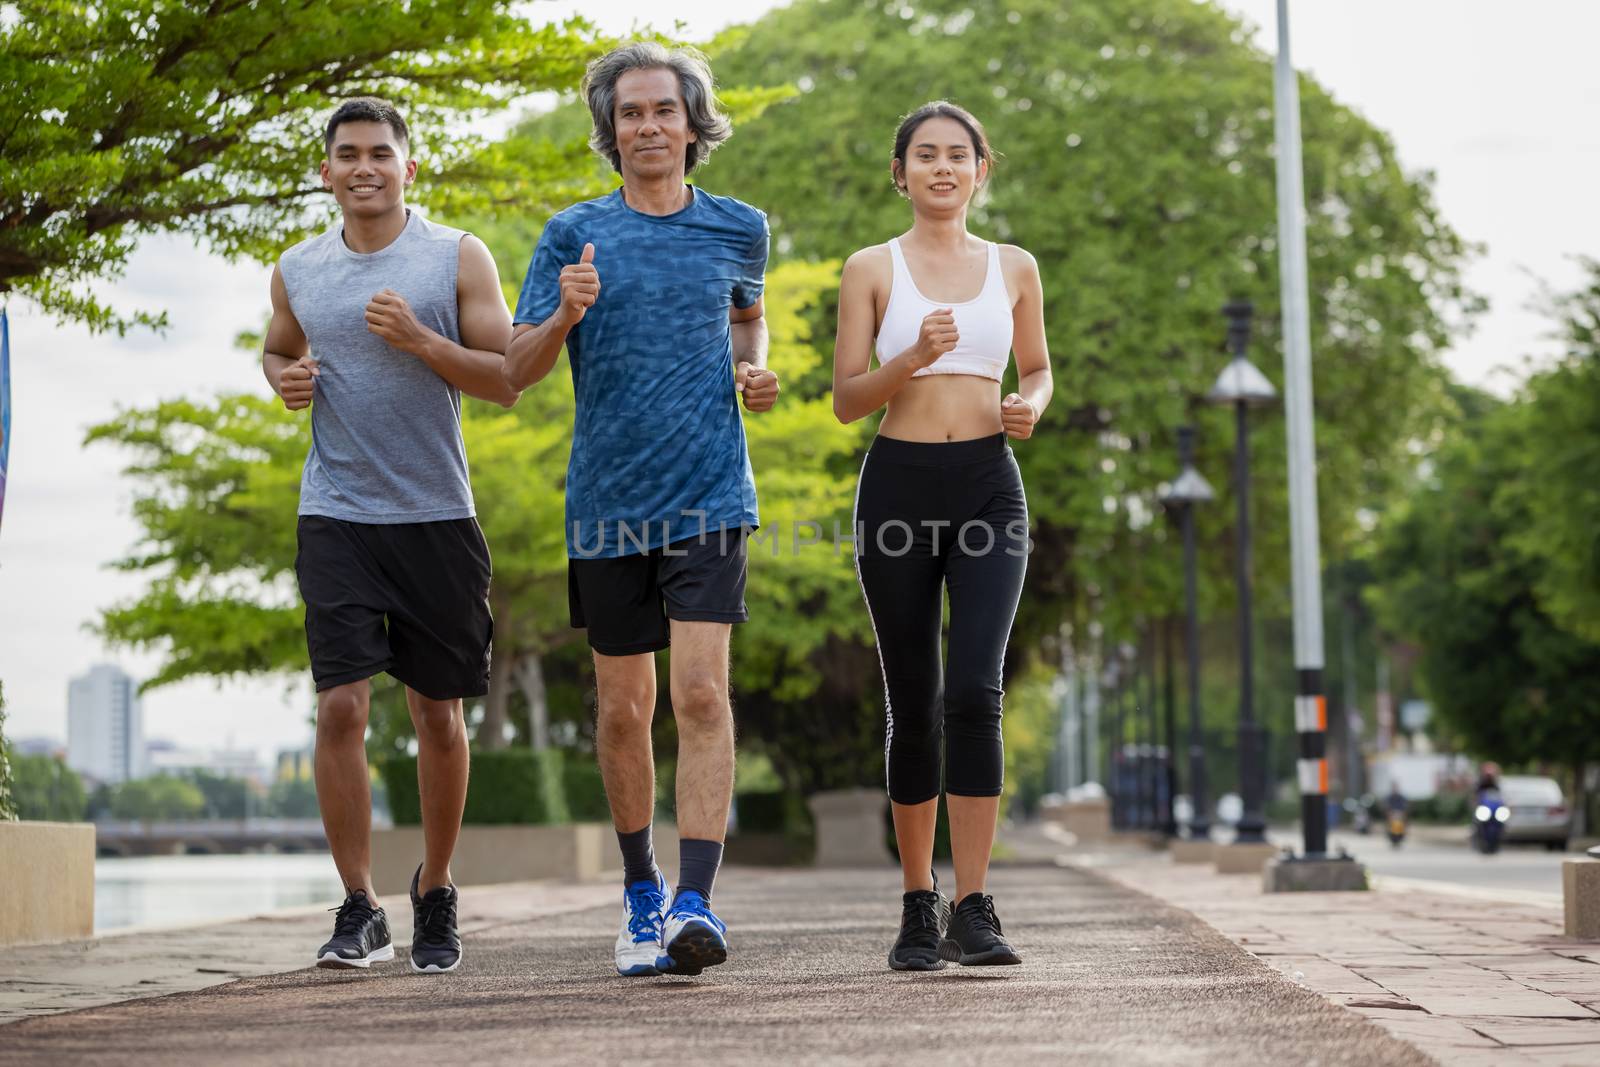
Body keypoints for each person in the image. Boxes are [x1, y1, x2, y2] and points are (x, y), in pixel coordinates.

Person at [503, 42, 778, 977]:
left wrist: (752, 364)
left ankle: (697, 902)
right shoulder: (571, 234)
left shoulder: (741, 227)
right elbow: (515, 369)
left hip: (710, 489)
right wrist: (565, 315)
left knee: (701, 694)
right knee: (623, 710)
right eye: (631, 114)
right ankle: (640, 894)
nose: (649, 126)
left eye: (665, 110)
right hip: (608, 499)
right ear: (610, 131)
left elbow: (748, 312)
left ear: (694, 124)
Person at [263, 97, 519, 973]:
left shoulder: (456, 255)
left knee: (437, 715)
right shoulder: (298, 267)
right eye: (348, 154)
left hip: (437, 515)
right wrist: (284, 378)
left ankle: (436, 888)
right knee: (340, 704)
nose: (364, 166)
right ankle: (359, 902)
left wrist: (418, 339)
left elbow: (506, 377)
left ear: (410, 168)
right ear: (326, 171)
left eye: (381, 152)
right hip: (335, 509)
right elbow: (276, 348)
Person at [832, 101, 1052, 971]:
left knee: (975, 691)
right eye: (925, 156)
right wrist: (911, 359)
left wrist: (1026, 406)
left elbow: (1036, 369)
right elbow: (849, 397)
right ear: (901, 173)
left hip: (990, 489)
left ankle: (975, 903)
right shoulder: (870, 268)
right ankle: (918, 902)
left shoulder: (1016, 266)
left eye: (958, 155)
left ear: (981, 170)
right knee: (913, 697)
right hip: (898, 486)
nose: (942, 168)